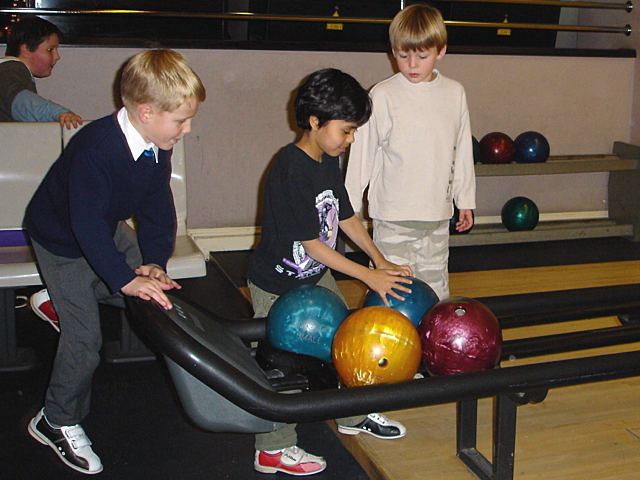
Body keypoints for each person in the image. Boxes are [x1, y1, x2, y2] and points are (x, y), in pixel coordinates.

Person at [24, 49, 206, 475]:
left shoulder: (157, 144)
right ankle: (55, 420)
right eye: (180, 120)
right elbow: (85, 226)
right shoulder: (96, 148)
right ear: (146, 112)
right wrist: (125, 279)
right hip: (62, 240)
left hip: (104, 227)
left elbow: (157, 207)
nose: (187, 129)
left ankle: (60, 301)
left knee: (152, 294)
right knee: (85, 341)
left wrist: (154, 262)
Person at [247, 68, 413, 476]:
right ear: (315, 121)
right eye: (346, 130)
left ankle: (353, 415)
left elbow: (346, 217)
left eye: (354, 130)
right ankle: (272, 448)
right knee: (282, 364)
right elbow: (313, 244)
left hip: (315, 276)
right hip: (276, 283)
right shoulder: (290, 168)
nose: (350, 139)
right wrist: (367, 276)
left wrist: (379, 259)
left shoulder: (326, 160)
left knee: (347, 342)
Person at [345, 3, 476, 301]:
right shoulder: (383, 95)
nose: (412, 65)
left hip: (436, 215)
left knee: (435, 294)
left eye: (422, 56)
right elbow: (362, 153)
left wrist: (465, 199)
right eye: (403, 56)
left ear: (441, 51)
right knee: (391, 294)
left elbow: (461, 149)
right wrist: (349, 206)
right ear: (393, 51)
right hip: (393, 216)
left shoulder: (454, 93)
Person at [0, 15, 82, 128]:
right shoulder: (10, 69)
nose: (57, 56)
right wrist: (60, 113)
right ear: (26, 49)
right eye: (50, 49)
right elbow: (20, 102)